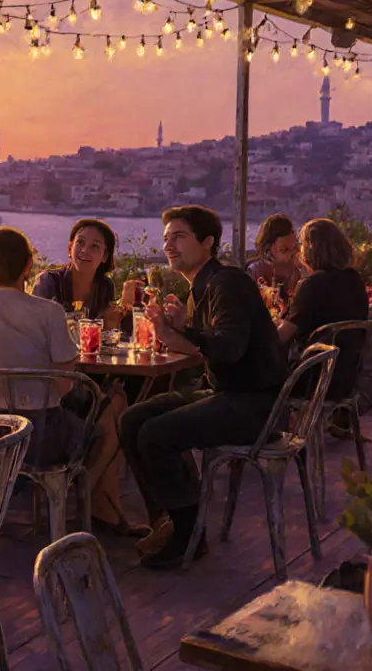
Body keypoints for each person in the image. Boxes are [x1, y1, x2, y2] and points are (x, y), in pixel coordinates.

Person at [0, 227, 138, 536]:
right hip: (44, 439)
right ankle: (85, 503)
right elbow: (64, 386)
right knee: (103, 427)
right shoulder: (50, 312)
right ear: (29, 267)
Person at [120, 205, 288, 570]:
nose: (169, 245)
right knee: (133, 418)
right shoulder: (204, 284)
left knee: (155, 434)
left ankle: (186, 534)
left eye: (179, 236)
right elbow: (214, 343)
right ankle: (172, 518)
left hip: (256, 404)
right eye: (166, 238)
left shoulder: (226, 282)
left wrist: (177, 333)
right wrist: (184, 325)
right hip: (225, 391)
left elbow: (228, 348)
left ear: (208, 242)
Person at [277, 218, 369, 399]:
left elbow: (282, 336)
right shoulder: (355, 281)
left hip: (311, 379)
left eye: (302, 245)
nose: (299, 251)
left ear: (311, 250)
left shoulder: (312, 285)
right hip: (346, 380)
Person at [32, 218, 139, 332]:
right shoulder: (49, 282)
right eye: (80, 242)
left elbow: (107, 336)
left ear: (105, 256)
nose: (85, 250)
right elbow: (34, 330)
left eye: (94, 246)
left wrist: (123, 311)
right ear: (70, 248)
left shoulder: (105, 286)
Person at [247, 213, 302, 302]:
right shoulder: (257, 271)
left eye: (293, 250)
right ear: (269, 248)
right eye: (284, 250)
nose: (289, 256)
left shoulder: (295, 272)